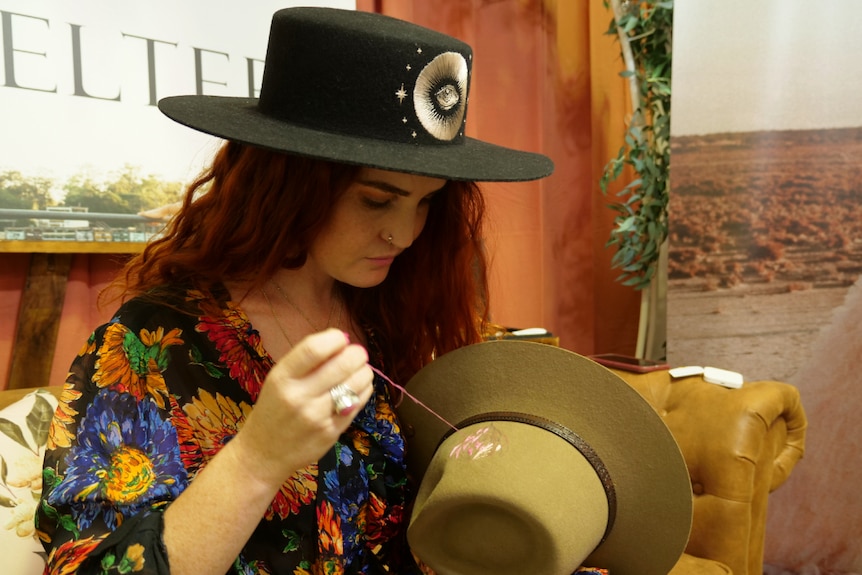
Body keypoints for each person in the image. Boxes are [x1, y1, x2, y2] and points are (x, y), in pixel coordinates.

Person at [37, 6, 552, 575]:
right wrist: (258, 459)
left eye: (425, 201)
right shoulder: (152, 347)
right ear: (284, 183)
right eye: (376, 200)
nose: (403, 234)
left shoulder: (391, 316)